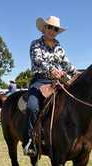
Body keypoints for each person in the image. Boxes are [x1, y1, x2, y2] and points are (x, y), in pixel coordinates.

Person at [23, 16, 79, 156]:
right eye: (50, 27)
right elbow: (38, 60)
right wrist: (51, 69)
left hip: (57, 82)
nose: (52, 30)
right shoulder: (35, 44)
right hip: (40, 81)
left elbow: (67, 64)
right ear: (44, 28)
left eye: (55, 29)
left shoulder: (59, 47)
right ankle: (30, 140)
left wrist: (77, 73)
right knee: (32, 106)